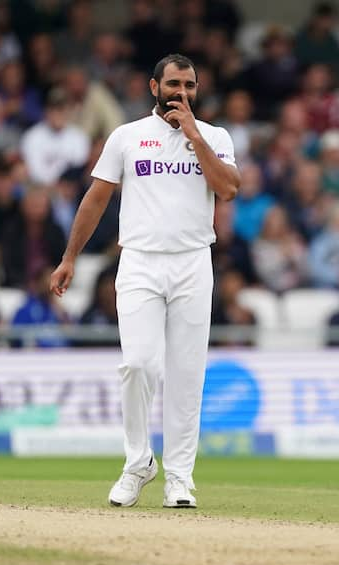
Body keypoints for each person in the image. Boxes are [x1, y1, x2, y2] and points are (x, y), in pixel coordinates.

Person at [49, 54, 240, 508]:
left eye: (190, 85)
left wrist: (194, 136)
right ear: (154, 87)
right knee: (137, 364)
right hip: (138, 262)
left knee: (187, 376)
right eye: (173, 83)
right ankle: (138, 464)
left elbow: (229, 188)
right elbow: (96, 200)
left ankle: (180, 478)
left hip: (194, 261)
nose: (182, 92)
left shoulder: (213, 136)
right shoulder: (127, 136)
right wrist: (69, 257)